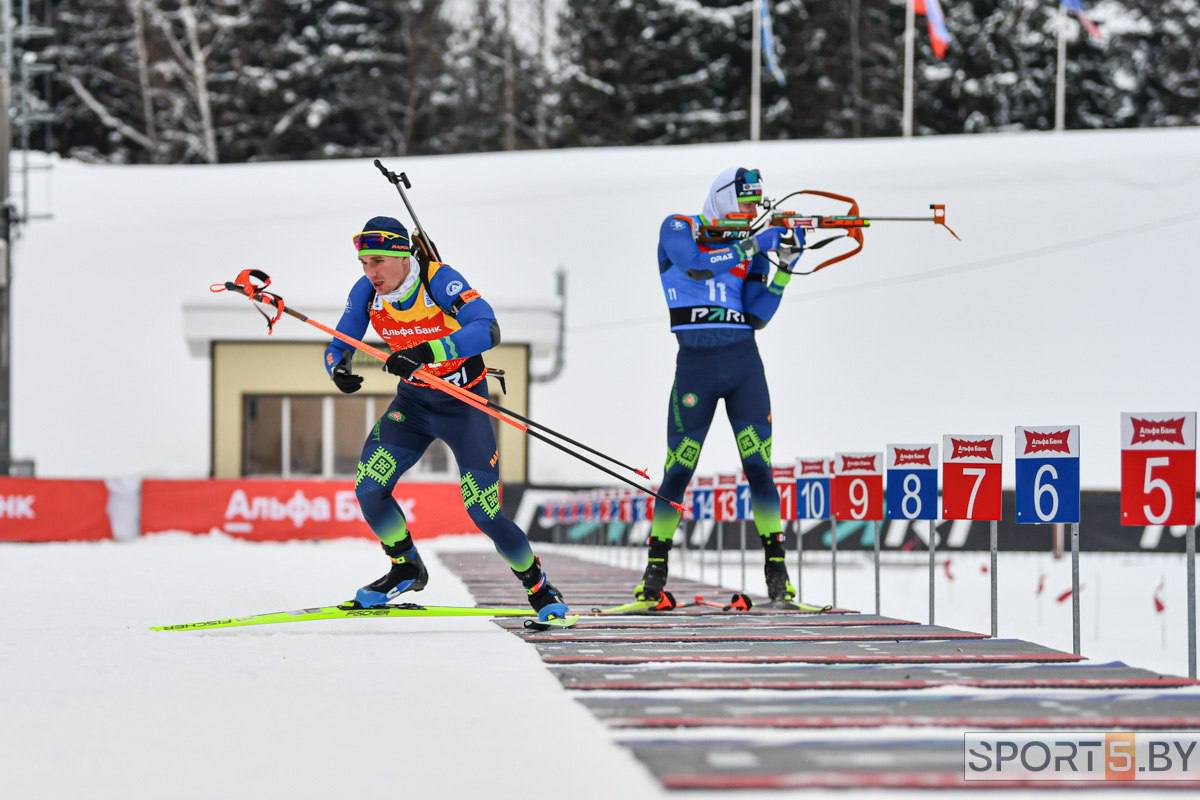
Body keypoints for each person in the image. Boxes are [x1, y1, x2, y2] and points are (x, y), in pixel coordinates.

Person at [325, 215, 569, 622]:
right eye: (364, 263)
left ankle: (540, 587)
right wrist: (337, 365)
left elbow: (487, 330)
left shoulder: (439, 280)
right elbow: (341, 338)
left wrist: (425, 353)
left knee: (483, 513)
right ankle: (405, 567)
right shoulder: (367, 291)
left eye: (379, 261)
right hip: (415, 406)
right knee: (369, 487)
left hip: (464, 405)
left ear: (403, 256)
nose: (371, 272)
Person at [636, 167, 805, 605]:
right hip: (696, 367)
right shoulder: (679, 227)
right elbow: (692, 266)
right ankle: (654, 574)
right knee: (678, 470)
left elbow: (757, 315)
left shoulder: (746, 248)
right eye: (745, 202)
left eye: (755, 205)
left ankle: (777, 573)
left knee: (759, 470)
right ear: (724, 198)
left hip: (744, 365)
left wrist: (784, 269)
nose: (751, 212)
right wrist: (755, 243)